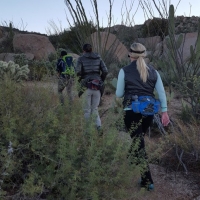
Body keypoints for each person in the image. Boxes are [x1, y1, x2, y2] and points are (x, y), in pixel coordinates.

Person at [116, 42, 170, 191]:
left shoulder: (124, 71)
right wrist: (164, 112)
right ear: (144, 55)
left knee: (139, 144)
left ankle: (147, 181)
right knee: (138, 140)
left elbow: (119, 94)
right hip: (148, 112)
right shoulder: (154, 72)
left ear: (130, 55)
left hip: (130, 111)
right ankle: (132, 159)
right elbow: (162, 93)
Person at [75, 43, 108, 133]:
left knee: (87, 110)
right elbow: (105, 71)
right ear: (92, 49)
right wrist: (101, 80)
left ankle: (88, 132)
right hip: (97, 86)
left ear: (83, 50)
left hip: (86, 85)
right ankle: (99, 128)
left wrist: (80, 80)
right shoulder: (98, 57)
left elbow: (77, 72)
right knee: (95, 109)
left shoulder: (81, 59)